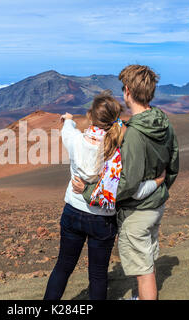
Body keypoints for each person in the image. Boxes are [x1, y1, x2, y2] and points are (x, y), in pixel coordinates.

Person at [44, 91, 166, 300]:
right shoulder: (118, 147)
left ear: (91, 116)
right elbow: (131, 186)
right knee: (98, 275)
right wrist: (156, 182)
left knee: (63, 267)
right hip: (102, 218)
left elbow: (67, 129)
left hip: (73, 211)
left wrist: (69, 120)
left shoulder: (76, 140)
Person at [72, 65, 179, 300]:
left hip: (137, 212)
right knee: (147, 258)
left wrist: (89, 192)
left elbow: (126, 184)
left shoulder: (133, 134)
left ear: (127, 91)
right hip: (156, 205)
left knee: (142, 270)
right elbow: (173, 163)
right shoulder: (164, 123)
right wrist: (158, 187)